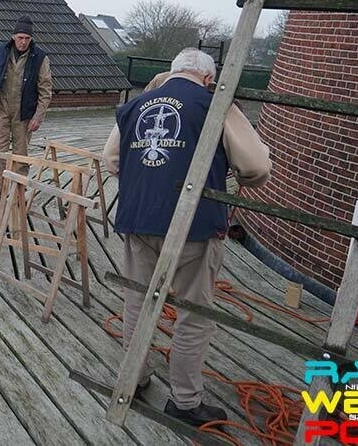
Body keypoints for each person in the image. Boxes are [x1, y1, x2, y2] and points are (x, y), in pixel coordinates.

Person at [102, 48, 271, 427]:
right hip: (194, 225)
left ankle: (136, 377)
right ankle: (185, 401)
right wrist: (236, 177)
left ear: (172, 71)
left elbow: (111, 159)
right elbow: (256, 165)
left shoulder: (136, 105)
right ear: (208, 78)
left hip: (138, 218)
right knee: (193, 315)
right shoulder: (216, 103)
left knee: (137, 302)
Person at [0, 16, 53, 202]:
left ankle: (18, 192)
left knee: (21, 154)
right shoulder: (1, 52)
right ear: (13, 36)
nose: (23, 42)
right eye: (20, 37)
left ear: (31, 39)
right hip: (1, 109)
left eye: (27, 38)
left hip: (24, 113)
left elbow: (46, 90)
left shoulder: (40, 58)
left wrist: (38, 116)